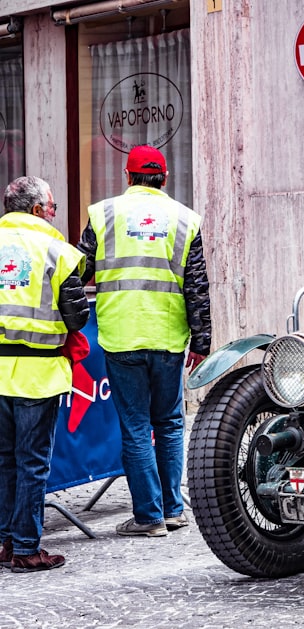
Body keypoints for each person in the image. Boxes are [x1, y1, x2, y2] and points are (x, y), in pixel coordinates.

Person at [77, 145, 212, 537]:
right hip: (168, 336)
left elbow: (77, 270)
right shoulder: (185, 219)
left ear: (127, 175)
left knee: (136, 425)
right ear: (164, 179)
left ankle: (149, 517)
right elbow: (197, 286)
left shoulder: (103, 214)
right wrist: (202, 339)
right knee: (170, 422)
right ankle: (173, 510)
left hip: (121, 335)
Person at [0, 176, 89, 571]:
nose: (54, 213)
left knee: (4, 461)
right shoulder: (56, 250)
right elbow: (77, 316)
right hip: (38, 373)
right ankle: (26, 549)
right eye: (52, 207)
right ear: (37, 210)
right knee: (32, 462)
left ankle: (4, 543)